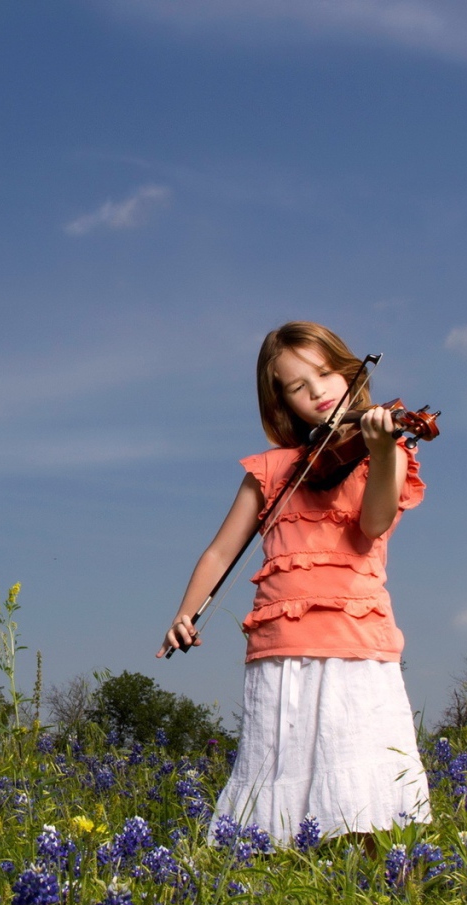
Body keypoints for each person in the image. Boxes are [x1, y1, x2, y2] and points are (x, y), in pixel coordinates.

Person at [157, 321, 430, 847]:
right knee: (275, 783)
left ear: (349, 373)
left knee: (364, 789)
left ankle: (372, 887)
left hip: (356, 643)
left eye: (325, 374)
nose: (317, 392)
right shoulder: (273, 469)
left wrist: (380, 452)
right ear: (280, 402)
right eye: (298, 386)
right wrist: (185, 613)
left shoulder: (385, 450)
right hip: (279, 646)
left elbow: (373, 524)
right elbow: (220, 551)